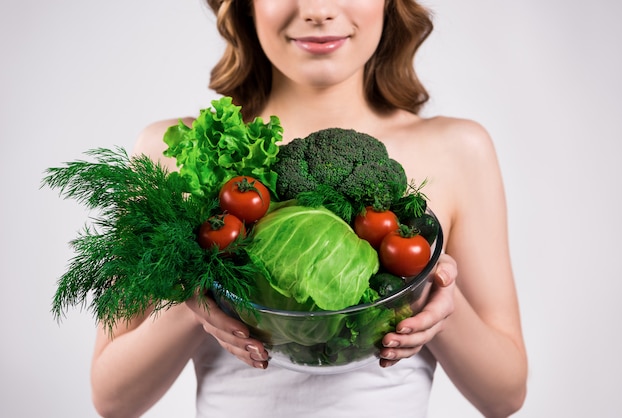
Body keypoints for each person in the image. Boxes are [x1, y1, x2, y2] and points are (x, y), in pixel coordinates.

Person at [90, 1, 527, 417]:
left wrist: (431, 295)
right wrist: (195, 300)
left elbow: (505, 395)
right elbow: (112, 399)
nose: (318, 10)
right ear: (245, 4)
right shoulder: (176, 155)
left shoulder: (458, 150)